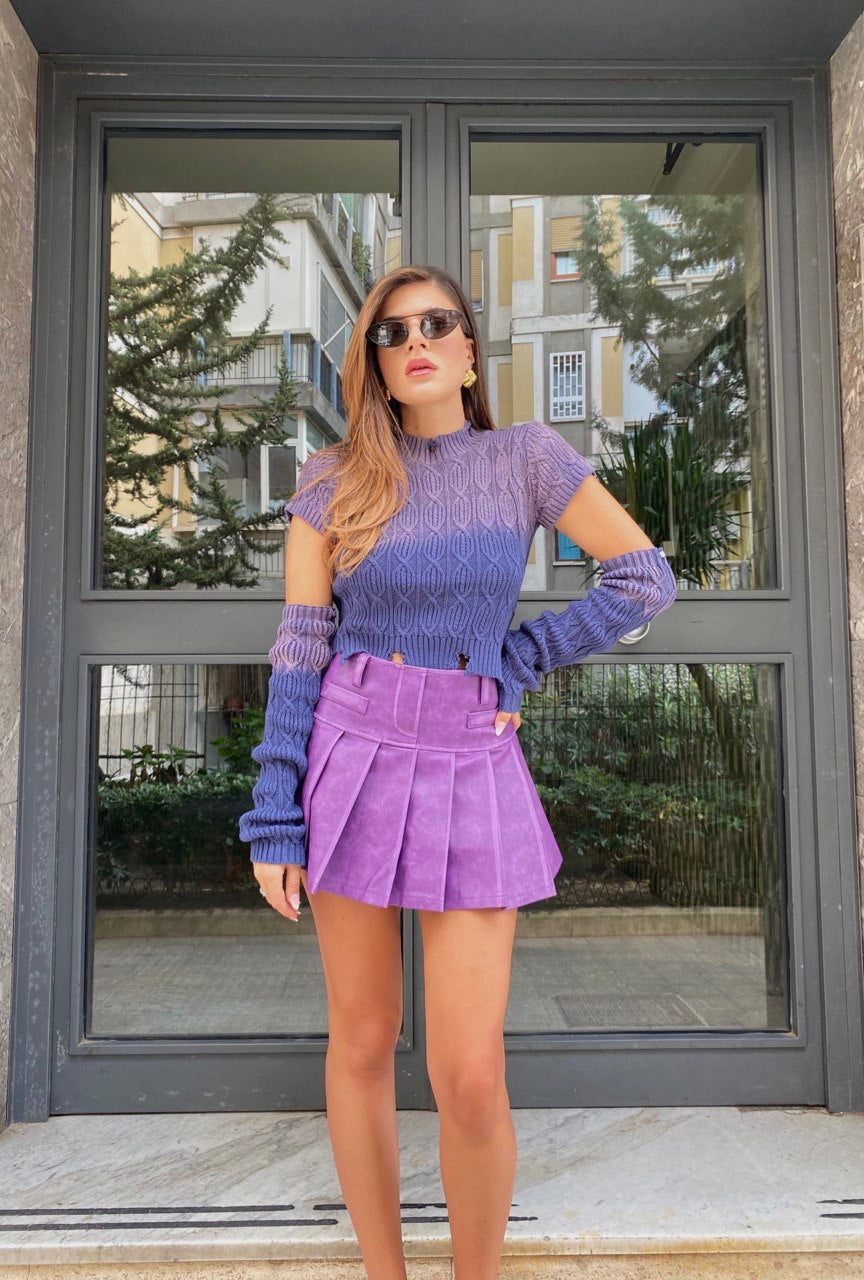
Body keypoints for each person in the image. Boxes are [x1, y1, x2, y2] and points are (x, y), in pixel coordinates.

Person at [239, 263, 677, 1280]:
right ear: (375, 362)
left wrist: (522, 656)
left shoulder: (525, 458)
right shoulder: (332, 477)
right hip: (350, 748)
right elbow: (300, 647)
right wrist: (274, 813)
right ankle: (384, 1272)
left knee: (469, 1071)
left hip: (472, 756)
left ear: (471, 349)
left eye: (437, 324)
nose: (417, 342)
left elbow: (642, 576)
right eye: (392, 332)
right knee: (364, 1040)